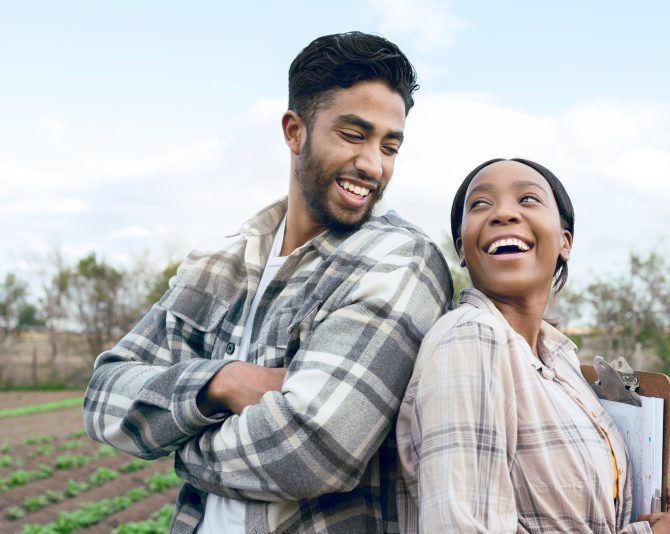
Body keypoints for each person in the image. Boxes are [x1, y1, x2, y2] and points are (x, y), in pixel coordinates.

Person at [83, 32, 452, 534]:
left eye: (389, 145)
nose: (373, 164)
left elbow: (315, 450)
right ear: (294, 131)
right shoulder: (220, 261)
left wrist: (175, 439)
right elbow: (102, 396)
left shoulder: (400, 258)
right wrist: (222, 383)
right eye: (352, 135)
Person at [396, 158, 670, 533]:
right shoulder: (471, 338)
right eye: (480, 204)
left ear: (564, 242)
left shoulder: (563, 363)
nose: (504, 213)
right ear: (461, 247)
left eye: (527, 199)